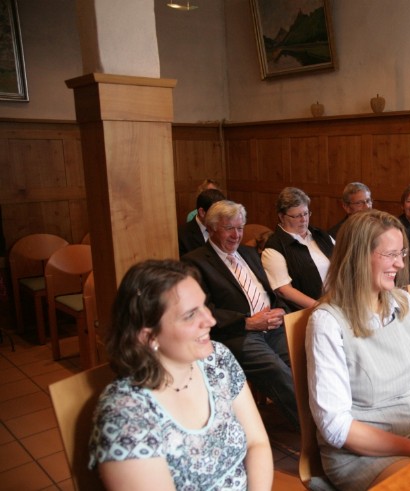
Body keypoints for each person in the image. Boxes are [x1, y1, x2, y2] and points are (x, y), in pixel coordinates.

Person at [307, 210, 410, 491]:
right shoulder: (327, 322)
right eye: (391, 254)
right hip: (361, 454)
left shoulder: (403, 303)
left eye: (402, 253)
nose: (400, 263)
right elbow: (335, 426)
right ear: (359, 257)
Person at [89, 259, 273, 490]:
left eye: (204, 305)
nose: (210, 320)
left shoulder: (217, 359)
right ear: (149, 337)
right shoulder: (126, 416)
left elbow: (257, 443)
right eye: (190, 315)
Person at [182, 200, 299, 429]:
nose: (236, 235)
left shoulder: (248, 253)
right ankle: (314, 431)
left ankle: (328, 422)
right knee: (277, 370)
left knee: (304, 363)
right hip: (238, 334)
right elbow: (202, 310)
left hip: (273, 326)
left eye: (240, 228)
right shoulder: (195, 262)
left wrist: (281, 310)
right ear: (212, 228)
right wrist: (247, 323)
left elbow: (270, 292)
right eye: (229, 228)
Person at [262, 187, 334, 311]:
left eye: (306, 213)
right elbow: (284, 290)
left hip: (338, 302)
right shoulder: (274, 247)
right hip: (310, 311)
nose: (304, 219)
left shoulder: (320, 235)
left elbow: (343, 262)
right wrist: (321, 308)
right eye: (297, 216)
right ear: (282, 217)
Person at [178, 187, 226, 256]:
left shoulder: (225, 228)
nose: (221, 218)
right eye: (217, 214)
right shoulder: (182, 235)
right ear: (202, 212)